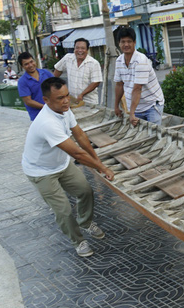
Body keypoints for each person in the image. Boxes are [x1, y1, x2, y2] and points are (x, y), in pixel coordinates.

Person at [22, 77, 115, 257]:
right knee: (64, 210)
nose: (66, 101)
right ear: (46, 100)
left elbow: (80, 136)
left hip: (61, 164)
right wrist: (102, 169)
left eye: (67, 96)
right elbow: (77, 154)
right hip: (40, 171)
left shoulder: (65, 110)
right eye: (59, 98)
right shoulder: (47, 123)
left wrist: (98, 162)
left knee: (85, 191)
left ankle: (86, 222)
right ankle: (78, 242)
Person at [114, 27, 164, 125]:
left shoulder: (141, 60)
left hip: (151, 105)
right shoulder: (119, 61)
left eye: (129, 41)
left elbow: (137, 88)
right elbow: (119, 85)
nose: (126, 44)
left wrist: (131, 113)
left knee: (153, 135)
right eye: (123, 42)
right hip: (135, 106)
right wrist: (116, 106)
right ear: (119, 44)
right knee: (141, 135)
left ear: (134, 43)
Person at [53, 38, 102, 105]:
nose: (80, 50)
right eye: (77, 48)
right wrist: (53, 84)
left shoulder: (93, 63)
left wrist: (82, 94)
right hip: (72, 99)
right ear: (74, 49)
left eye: (82, 48)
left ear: (87, 50)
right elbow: (58, 69)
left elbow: (96, 82)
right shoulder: (68, 58)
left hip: (89, 101)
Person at [17, 51, 55, 121]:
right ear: (22, 66)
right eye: (26, 64)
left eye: (31, 62)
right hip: (38, 116)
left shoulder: (46, 73)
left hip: (54, 112)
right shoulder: (22, 81)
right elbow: (28, 101)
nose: (30, 65)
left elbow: (57, 87)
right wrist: (47, 107)